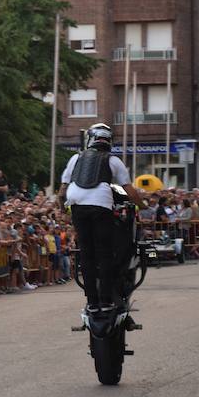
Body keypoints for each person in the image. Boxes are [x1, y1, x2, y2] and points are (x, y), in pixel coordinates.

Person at [57, 123, 141, 312]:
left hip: (77, 205)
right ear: (109, 141)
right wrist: (142, 206)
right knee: (104, 253)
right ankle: (106, 301)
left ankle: (92, 302)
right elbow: (130, 191)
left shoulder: (75, 158)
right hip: (101, 205)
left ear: (90, 139)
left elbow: (62, 191)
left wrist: (62, 209)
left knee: (87, 253)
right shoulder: (113, 160)